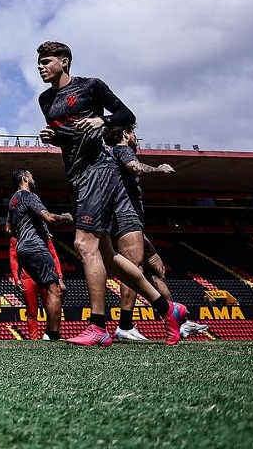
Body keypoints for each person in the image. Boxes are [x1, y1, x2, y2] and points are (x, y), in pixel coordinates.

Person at [36, 41, 188, 346]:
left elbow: (126, 114)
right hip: (76, 175)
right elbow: (70, 136)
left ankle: (98, 326)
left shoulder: (91, 86)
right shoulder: (45, 100)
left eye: (46, 61)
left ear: (64, 62)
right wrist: (55, 138)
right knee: (107, 255)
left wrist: (102, 119)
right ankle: (168, 309)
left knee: (83, 244)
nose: (40, 67)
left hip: (100, 169)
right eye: (38, 63)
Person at [105, 126, 210, 342]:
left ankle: (180, 322)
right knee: (134, 269)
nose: (135, 137)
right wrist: (158, 169)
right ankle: (124, 326)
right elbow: (134, 167)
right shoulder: (122, 149)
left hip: (132, 220)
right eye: (133, 132)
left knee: (157, 268)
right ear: (125, 133)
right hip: (125, 218)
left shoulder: (112, 153)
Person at [6, 169, 73, 341]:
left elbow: (8, 228)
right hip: (36, 247)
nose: (34, 180)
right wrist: (66, 217)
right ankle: (53, 334)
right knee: (55, 290)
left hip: (23, 249)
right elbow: (49, 218)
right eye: (32, 177)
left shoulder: (13, 201)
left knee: (52, 291)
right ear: (25, 178)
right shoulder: (29, 197)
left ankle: (48, 333)